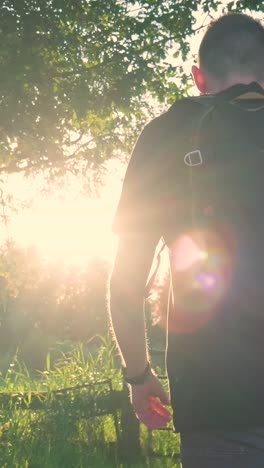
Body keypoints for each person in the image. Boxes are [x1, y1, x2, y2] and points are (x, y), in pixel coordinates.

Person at [109, 13, 264, 468]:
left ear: (199, 78)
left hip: (217, 406)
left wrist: (139, 374)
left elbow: (126, 282)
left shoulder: (166, 135)